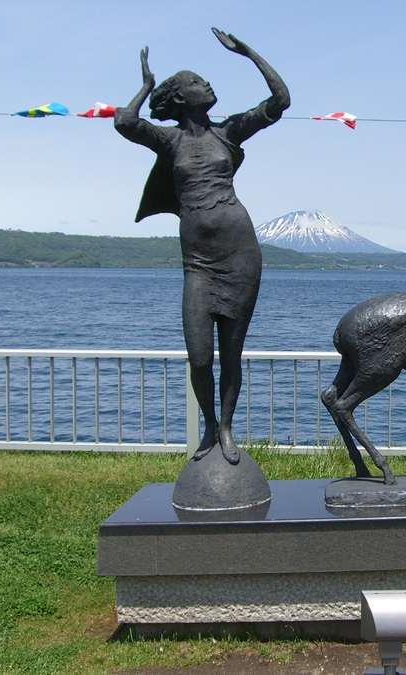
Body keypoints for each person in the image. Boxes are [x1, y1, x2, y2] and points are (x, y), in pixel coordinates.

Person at [115, 28, 290, 464]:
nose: (206, 85)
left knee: (232, 353)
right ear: (179, 98)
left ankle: (227, 430)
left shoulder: (229, 132)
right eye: (195, 82)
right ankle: (209, 427)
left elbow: (280, 101)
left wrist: (248, 52)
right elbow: (125, 122)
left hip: (240, 254)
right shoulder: (170, 140)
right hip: (197, 263)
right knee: (198, 356)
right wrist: (146, 86)